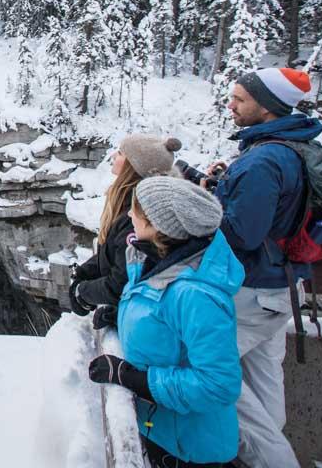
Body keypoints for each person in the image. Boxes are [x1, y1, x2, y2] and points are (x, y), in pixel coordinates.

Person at [198, 67, 320, 468]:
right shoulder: (286, 146)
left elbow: (242, 234)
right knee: (264, 388)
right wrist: (221, 187)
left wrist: (202, 206)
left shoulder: (264, 159)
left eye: (239, 99)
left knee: (206, 369)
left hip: (253, 292)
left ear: (267, 107)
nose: (230, 105)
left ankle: (274, 461)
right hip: (280, 288)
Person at [87, 177, 243, 468]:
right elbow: (164, 324)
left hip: (190, 448)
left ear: (158, 226)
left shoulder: (196, 295)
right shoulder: (154, 262)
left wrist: (133, 379)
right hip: (163, 431)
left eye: (136, 210)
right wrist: (123, 317)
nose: (129, 214)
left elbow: (218, 385)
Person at [69, 134, 183, 327]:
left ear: (134, 166)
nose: (114, 155)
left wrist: (83, 292)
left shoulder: (139, 215)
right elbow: (114, 252)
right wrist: (84, 273)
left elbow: (123, 281)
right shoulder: (127, 200)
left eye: (121, 153)